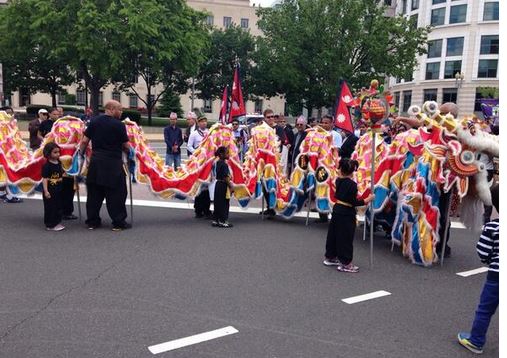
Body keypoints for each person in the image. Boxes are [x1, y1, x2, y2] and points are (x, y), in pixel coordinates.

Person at [78, 100, 132, 231]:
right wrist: (130, 154)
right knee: (116, 194)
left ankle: (92, 222)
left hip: (96, 162)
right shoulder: (119, 125)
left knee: (94, 194)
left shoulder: (94, 122)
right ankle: (118, 222)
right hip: (113, 163)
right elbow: (125, 145)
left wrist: (80, 155)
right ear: (112, 109)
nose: (121, 112)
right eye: (120, 109)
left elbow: (84, 141)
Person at [458, 184, 499, 354]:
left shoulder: (493, 227)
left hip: (496, 276)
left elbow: (483, 251)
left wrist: (490, 260)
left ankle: (475, 341)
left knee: (485, 309)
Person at [323, 158, 374, 273]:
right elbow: (353, 202)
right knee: (345, 238)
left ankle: (330, 256)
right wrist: (367, 200)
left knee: (333, 235)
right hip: (346, 212)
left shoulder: (338, 181)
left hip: (337, 210)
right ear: (352, 172)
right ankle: (345, 263)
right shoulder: (352, 185)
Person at [188, 116, 212, 218]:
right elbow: (189, 146)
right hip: (198, 163)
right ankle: (198, 210)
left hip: (207, 163)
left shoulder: (209, 133)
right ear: (198, 123)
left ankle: (206, 209)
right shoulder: (194, 134)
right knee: (199, 186)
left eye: (205, 122)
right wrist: (197, 153)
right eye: (201, 122)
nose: (204, 123)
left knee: (206, 187)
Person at [0, 107, 23, 203]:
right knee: (5, 175)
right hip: (4, 155)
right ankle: (6, 195)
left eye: (11, 113)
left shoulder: (12, 126)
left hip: (11, 155)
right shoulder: (2, 127)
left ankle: (6, 194)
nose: (10, 115)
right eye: (7, 113)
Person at [41, 142, 65, 231]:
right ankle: (50, 224)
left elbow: (61, 173)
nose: (58, 154)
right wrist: (46, 191)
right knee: (50, 207)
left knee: (58, 205)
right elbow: (45, 179)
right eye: (55, 152)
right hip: (50, 189)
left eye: (58, 152)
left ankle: (56, 222)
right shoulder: (46, 166)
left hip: (58, 188)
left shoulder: (58, 162)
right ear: (48, 153)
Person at [212, 146, 234, 228]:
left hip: (218, 184)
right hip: (223, 185)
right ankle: (223, 220)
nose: (229, 154)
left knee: (217, 202)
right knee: (224, 203)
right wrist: (231, 186)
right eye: (227, 153)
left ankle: (216, 219)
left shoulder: (218, 162)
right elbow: (226, 177)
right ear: (221, 154)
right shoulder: (224, 164)